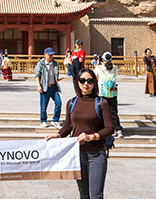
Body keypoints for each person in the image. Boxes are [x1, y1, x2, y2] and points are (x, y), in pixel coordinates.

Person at [45, 68, 114, 199]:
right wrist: (58, 135)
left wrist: (92, 137)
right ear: (77, 82)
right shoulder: (72, 103)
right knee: (84, 194)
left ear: (94, 83)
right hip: (77, 154)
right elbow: (68, 126)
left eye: (90, 81)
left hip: (96, 154)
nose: (86, 84)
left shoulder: (101, 103)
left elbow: (110, 128)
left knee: (96, 195)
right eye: (82, 81)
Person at [95, 52, 123, 138]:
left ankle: (102, 128)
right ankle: (118, 129)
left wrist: (98, 64)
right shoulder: (115, 68)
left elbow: (94, 75)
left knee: (101, 111)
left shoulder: (99, 68)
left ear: (103, 59)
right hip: (112, 92)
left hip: (102, 92)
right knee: (114, 112)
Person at [35, 47, 63, 129]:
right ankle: (43, 120)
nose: (51, 56)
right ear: (45, 54)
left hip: (53, 86)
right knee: (44, 106)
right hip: (45, 87)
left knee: (58, 103)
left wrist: (57, 79)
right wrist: (39, 86)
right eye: (49, 55)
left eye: (52, 55)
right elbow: (37, 75)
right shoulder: (41, 64)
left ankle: (55, 120)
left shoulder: (54, 63)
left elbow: (54, 73)